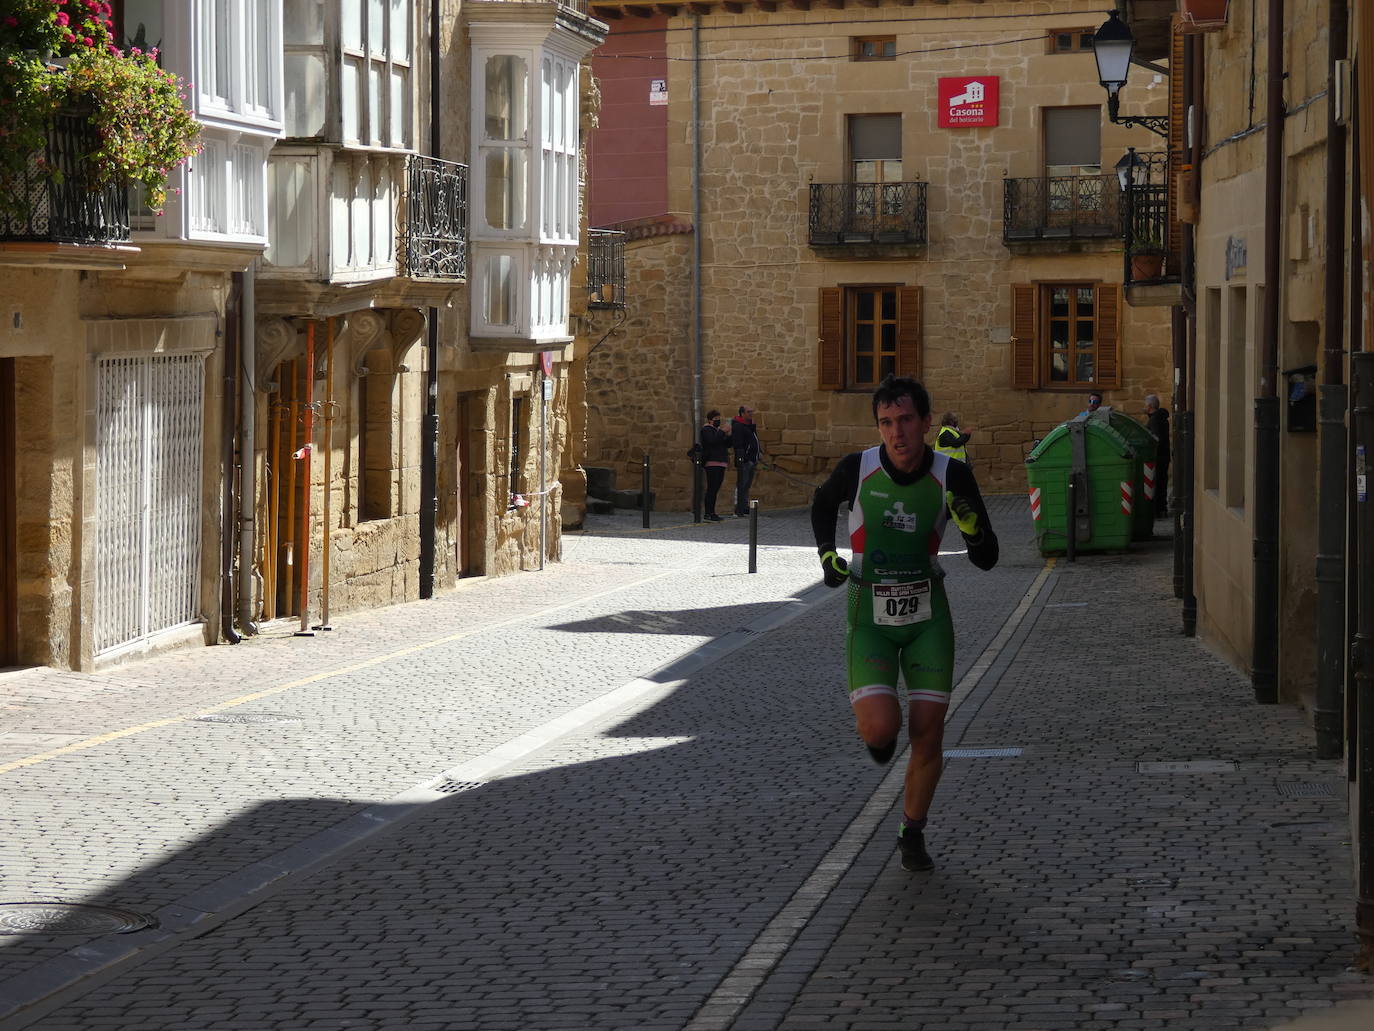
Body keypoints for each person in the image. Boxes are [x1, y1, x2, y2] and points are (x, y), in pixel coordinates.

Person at [810, 375, 999, 872]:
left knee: (928, 732)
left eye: (906, 420)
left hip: (927, 615)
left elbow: (988, 558)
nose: (897, 433)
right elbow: (822, 502)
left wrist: (975, 531)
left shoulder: (951, 475)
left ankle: (911, 831)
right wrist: (828, 554)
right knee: (880, 728)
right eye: (886, 423)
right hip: (867, 611)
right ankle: (880, 737)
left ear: (927, 423)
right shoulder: (858, 468)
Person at [730, 404, 762, 517]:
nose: (751, 414)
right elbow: (739, 444)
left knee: (746, 485)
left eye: (751, 412)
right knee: (741, 484)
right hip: (745, 461)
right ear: (742, 413)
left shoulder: (749, 426)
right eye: (748, 412)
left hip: (751, 460)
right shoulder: (739, 426)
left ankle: (743, 506)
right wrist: (745, 458)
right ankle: (737, 507)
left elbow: (754, 442)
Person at [699, 409, 730, 521]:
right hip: (712, 462)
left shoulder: (718, 431)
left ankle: (712, 512)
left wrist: (728, 434)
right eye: (716, 419)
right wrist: (722, 432)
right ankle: (708, 513)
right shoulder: (706, 430)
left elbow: (726, 444)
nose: (718, 421)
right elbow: (711, 441)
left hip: (721, 462)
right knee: (711, 488)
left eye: (719, 419)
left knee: (716, 488)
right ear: (710, 420)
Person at [1144, 393, 1171, 518]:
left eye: (1145, 405)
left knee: (1157, 483)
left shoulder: (1154, 420)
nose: (1144, 407)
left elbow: (1155, 439)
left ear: (1149, 406)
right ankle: (1162, 508)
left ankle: (1158, 509)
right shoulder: (1161, 418)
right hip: (1164, 456)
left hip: (1158, 457)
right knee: (1162, 483)